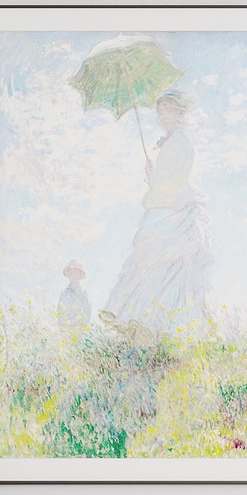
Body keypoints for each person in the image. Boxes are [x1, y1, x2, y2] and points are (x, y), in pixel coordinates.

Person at [99, 90, 212, 335]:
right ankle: (138, 318)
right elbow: (164, 178)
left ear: (179, 112)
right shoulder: (171, 142)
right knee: (147, 262)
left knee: (167, 266)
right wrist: (153, 174)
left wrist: (155, 175)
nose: (162, 116)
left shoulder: (182, 142)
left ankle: (157, 323)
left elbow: (175, 178)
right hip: (162, 206)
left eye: (167, 110)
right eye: (160, 111)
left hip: (173, 210)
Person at [56, 260, 91, 328]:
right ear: (68, 275)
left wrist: (82, 326)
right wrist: (60, 325)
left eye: (76, 273)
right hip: (64, 327)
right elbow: (59, 310)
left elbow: (87, 311)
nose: (74, 275)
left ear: (80, 275)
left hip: (78, 328)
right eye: (71, 273)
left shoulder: (83, 292)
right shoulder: (64, 292)